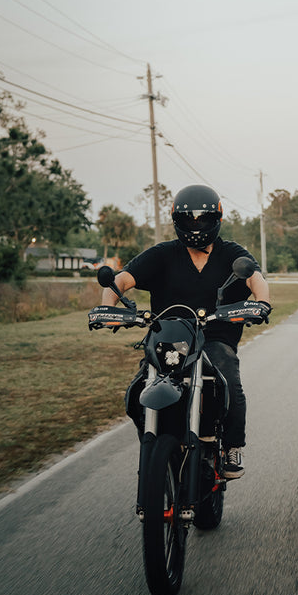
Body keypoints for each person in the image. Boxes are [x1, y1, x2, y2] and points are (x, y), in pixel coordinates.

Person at [100, 184, 271, 479]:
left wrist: (262, 303)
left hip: (216, 336)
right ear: (176, 221)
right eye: (188, 220)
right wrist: (108, 308)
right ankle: (154, 441)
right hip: (169, 338)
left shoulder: (232, 254)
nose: (195, 226)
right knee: (138, 390)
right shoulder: (163, 254)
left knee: (227, 378)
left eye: (202, 219)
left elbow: (256, 278)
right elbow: (121, 280)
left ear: (215, 219)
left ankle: (232, 445)